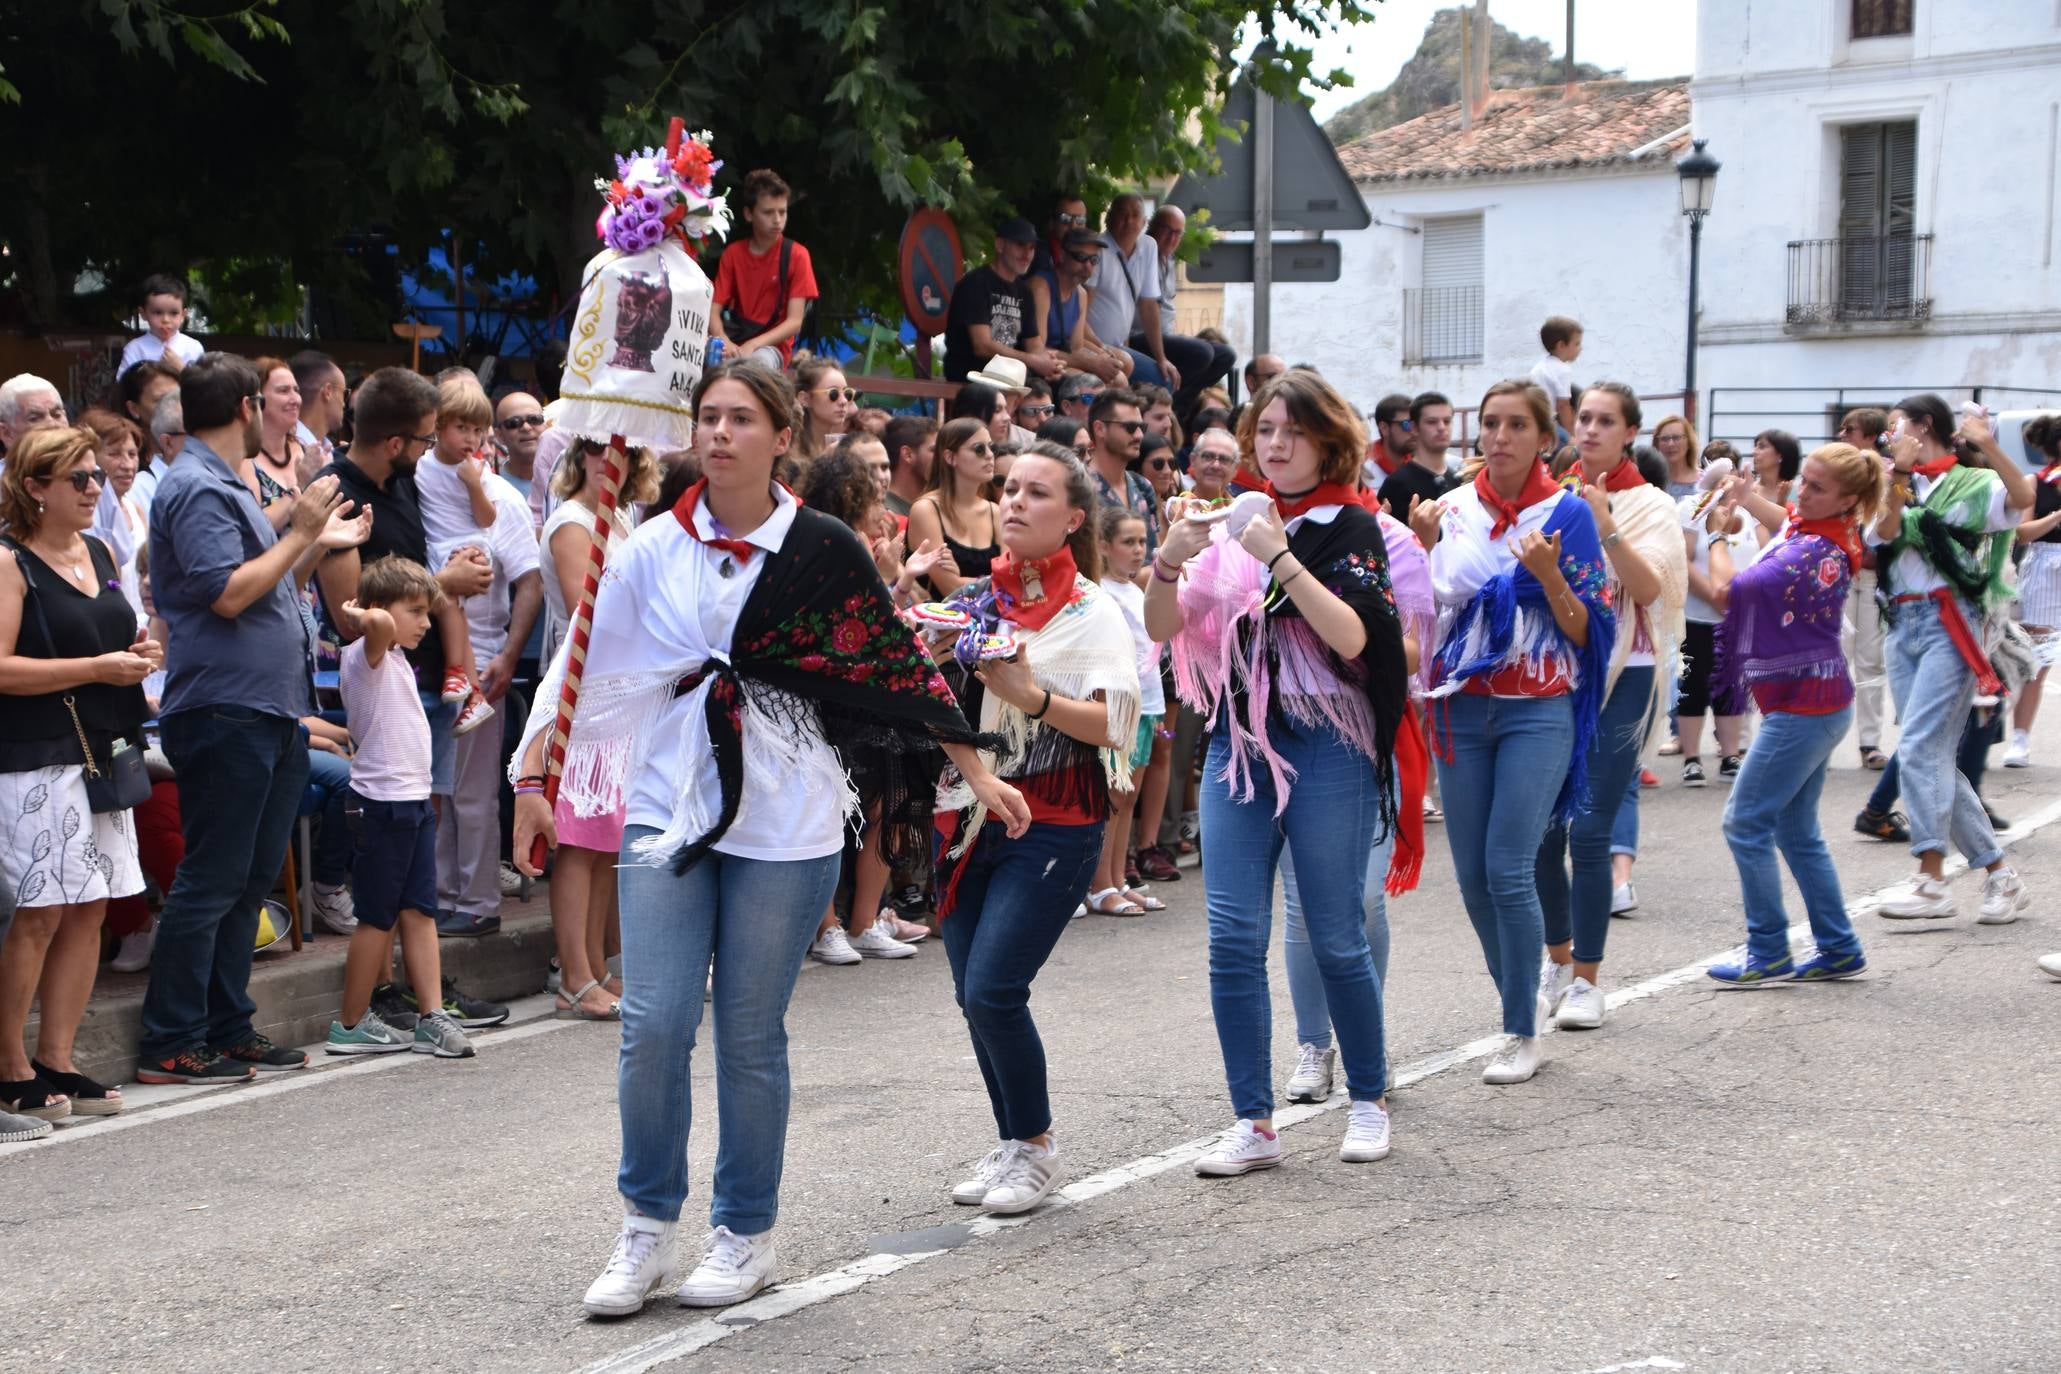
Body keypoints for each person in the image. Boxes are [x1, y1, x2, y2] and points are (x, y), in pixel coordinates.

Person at [510, 361, 1026, 1315]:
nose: (719, 432)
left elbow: (892, 666)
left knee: (748, 1033)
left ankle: (743, 1232)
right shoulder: (649, 547)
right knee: (654, 1024)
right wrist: (533, 777)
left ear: (781, 437)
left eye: (741, 418)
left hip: (786, 816)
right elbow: (584, 663)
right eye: (707, 416)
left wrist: (978, 769)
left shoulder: (821, 547)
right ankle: (645, 1228)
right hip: (670, 799)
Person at [1151, 369, 1410, 1170]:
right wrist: (1167, 562)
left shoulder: (1350, 525)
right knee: (1232, 937)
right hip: (1238, 741)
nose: (1274, 444)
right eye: (1264, 430)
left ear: (1327, 442)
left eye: (1292, 431)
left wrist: (1281, 557)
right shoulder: (1228, 521)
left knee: (1333, 933)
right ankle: (1252, 1123)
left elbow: (1356, 638)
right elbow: (1162, 629)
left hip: (1326, 741)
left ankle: (1365, 1099)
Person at [139, 354, 368, 1084]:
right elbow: (229, 594)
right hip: (225, 710)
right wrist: (302, 531)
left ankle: (226, 1025)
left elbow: (266, 577)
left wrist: (312, 535)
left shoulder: (224, 483)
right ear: (246, 407)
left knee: (250, 878)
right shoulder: (196, 486)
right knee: (214, 878)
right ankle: (171, 1039)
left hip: (266, 710)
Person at [927, 441, 1139, 1214]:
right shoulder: (973, 601)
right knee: (971, 993)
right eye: (1009, 488)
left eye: (1037, 492)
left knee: (994, 989)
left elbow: (1116, 727)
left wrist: (1033, 697)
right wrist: (927, 656)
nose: (1014, 501)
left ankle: (1037, 1148)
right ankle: (1014, 1140)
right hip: (965, 817)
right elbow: (926, 697)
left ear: (1074, 518)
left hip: (1055, 820)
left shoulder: (1094, 612)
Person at [1409, 379, 1611, 1087]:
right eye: (1491, 423)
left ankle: (1519, 1029)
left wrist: (1550, 577)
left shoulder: (1567, 512)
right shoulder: (1449, 509)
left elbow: (1587, 627)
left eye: (1517, 425)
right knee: (1470, 878)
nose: (1499, 436)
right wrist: (1420, 547)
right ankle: (1523, 997)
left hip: (1538, 708)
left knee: (1506, 866)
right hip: (1461, 706)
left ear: (1543, 438)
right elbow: (1418, 607)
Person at [0, 426, 158, 1120]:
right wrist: (96, 667)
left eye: (96, 474)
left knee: (92, 906)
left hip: (104, 745)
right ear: (36, 487)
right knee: (40, 912)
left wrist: (136, 654)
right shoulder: (10, 560)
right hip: (37, 753)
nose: (96, 487)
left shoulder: (98, 550)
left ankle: (56, 1058)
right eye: (80, 478)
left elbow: (108, 635)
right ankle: (9, 1064)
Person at [1534, 384, 1686, 1030]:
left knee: (1592, 829)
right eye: (1585, 419)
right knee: (1542, 834)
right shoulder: (1549, 495)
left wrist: (1606, 527)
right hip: (1553, 669)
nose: (1590, 430)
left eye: (1605, 421)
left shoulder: (1652, 504)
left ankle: (1587, 981)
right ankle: (1558, 957)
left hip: (1627, 670)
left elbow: (1650, 589)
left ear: (1629, 433)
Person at [1704, 444, 1884, 985]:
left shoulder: (1808, 552)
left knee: (1745, 822)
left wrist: (1712, 537)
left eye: (1817, 487)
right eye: (1804, 480)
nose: (1803, 493)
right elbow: (1789, 516)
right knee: (1795, 830)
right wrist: (1748, 499)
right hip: (1817, 700)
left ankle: (1769, 951)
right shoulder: (1829, 529)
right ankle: (1838, 947)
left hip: (1804, 707)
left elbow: (1724, 592)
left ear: (1847, 499)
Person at [1870, 394, 2034, 921]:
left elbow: (2022, 496)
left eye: (1895, 425)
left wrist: (1988, 444)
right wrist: (1898, 474)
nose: (1888, 435)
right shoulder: (1894, 482)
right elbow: (1884, 533)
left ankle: (1931, 881)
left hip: (1951, 622)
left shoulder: (1973, 481)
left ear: (1923, 425)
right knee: (1931, 755)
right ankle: (2000, 876)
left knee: (1920, 748)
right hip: (1901, 624)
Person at [323, 557, 475, 1056]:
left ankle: (432, 1015)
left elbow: (386, 624)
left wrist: (377, 614)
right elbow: (380, 625)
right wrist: (357, 615)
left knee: (419, 910)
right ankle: (350, 1024)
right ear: (376, 610)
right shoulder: (362, 656)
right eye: (415, 610)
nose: (425, 623)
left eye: (427, 612)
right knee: (377, 917)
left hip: (411, 802)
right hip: (379, 806)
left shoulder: (393, 659)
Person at [414, 376, 542, 937]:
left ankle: (479, 902)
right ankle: (443, 895)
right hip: (423, 657)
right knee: (436, 790)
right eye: (459, 427)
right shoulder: (417, 478)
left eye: (478, 429)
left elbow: (531, 580)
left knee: (470, 790)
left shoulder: (500, 495)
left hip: (483, 658)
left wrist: (510, 656)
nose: (470, 439)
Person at [538, 439, 659, 1016]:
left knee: (607, 837)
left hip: (620, 693)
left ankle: (596, 967)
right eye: (595, 449)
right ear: (580, 456)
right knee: (578, 838)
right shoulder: (572, 523)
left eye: (624, 451)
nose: (609, 459)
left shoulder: (623, 518)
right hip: (580, 696)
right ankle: (574, 977)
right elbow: (583, 612)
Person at [1081, 507, 1165, 916]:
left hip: (1147, 703)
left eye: (1142, 542)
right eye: (1127, 542)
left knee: (1128, 796)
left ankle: (1118, 879)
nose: (1137, 550)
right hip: (1117, 705)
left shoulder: (1136, 590)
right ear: (1103, 545)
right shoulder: (1099, 592)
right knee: (1112, 796)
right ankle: (1099, 885)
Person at [1087, 195, 1230, 412]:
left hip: (1122, 345)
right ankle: (1166, 414)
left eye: (1135, 215)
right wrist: (1098, 347)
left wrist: (1162, 358)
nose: (1128, 221)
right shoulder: (1098, 250)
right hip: (1101, 344)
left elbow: (1148, 304)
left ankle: (1173, 412)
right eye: (1122, 215)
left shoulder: (1148, 247)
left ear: (1143, 222)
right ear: (1109, 219)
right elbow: (1082, 308)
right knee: (1175, 373)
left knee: (1221, 356)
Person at [1677, 458, 1757, 785]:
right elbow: (1683, 560)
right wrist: (1715, 596)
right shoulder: (1692, 510)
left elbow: (1761, 554)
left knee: (1732, 686)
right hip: (1697, 614)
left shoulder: (1749, 512)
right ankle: (1691, 758)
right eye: (1727, 479)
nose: (1733, 482)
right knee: (1693, 684)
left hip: (1737, 616)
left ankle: (1730, 755)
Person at [711, 168, 818, 369]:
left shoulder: (798, 255)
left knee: (757, 366)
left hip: (772, 350)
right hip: (734, 342)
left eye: (782, 212)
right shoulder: (733, 253)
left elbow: (795, 322)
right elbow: (713, 310)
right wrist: (723, 339)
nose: (777, 219)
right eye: (768, 212)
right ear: (748, 214)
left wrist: (752, 345)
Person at [1833, 407, 1892, 769]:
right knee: (1835, 655)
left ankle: (1870, 742)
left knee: (1871, 659)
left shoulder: (1892, 473)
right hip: (1839, 572)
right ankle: (1826, 738)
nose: (1843, 435)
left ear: (1871, 436)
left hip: (1872, 574)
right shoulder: (1837, 470)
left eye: (1850, 429)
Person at [2004, 415, 2061, 768]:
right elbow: (2022, 533)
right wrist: (2056, 516)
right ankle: (2019, 739)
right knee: (2037, 661)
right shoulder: (2036, 483)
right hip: (2044, 566)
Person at [944, 219, 1062, 384]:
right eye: (1020, 245)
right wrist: (1033, 360)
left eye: (1032, 248)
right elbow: (982, 345)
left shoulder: (1024, 292)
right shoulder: (975, 283)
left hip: (1010, 378)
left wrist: (1049, 364)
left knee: (1066, 387)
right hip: (973, 378)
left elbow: (1034, 343)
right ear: (1000, 245)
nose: (1027, 254)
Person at [1146, 204, 1236, 411]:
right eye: (1167, 230)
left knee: (1226, 356)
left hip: (1166, 336)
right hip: (1143, 337)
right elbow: (1147, 306)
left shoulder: (1169, 260)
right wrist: (1161, 356)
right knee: (1201, 352)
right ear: (1152, 226)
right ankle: (1171, 405)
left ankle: (1179, 403)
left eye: (1178, 233)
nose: (1172, 238)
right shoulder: (1143, 255)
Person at [905, 418, 999, 596]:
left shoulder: (995, 512)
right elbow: (951, 588)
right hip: (938, 612)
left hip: (991, 613)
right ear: (950, 457)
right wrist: (995, 581)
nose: (990, 455)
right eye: (979, 449)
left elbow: (1013, 579)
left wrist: (965, 581)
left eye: (991, 447)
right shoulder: (926, 510)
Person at [1029, 228, 1130, 385]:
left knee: (1119, 376)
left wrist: (1101, 356)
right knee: (1092, 383)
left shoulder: (1081, 294)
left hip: (1061, 359)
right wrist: (1092, 364)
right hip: (1040, 365)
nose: (1088, 265)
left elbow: (1076, 347)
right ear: (1062, 255)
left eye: (1094, 260)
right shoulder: (1041, 288)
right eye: (1081, 257)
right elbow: (1037, 351)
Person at [79, 408, 151, 621]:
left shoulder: (135, 509)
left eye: (132, 454)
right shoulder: (83, 514)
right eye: (114, 454)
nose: (127, 465)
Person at [1083, 390, 1159, 557]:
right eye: (1130, 427)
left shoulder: (1143, 486)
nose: (1139, 435)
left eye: (1142, 427)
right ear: (1100, 429)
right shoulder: (1077, 486)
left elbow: (1152, 555)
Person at [238, 357, 307, 533]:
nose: (295, 399)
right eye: (284, 391)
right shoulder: (245, 459)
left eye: (296, 390)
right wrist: (299, 487)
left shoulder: (305, 449)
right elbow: (255, 529)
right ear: (258, 399)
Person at [1377, 392, 1456, 514]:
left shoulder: (1459, 479)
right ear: (1414, 428)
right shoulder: (1397, 485)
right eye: (1431, 422)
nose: (1441, 427)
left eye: (1447, 421)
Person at [117, 274, 205, 378]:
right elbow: (122, 384)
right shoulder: (135, 349)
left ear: (183, 315)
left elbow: (203, 385)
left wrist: (182, 369)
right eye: (158, 312)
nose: (166, 320)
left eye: (174, 313)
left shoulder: (193, 347)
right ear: (143, 313)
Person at [791, 357, 854, 468]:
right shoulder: (789, 448)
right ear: (805, 399)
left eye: (847, 393)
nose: (844, 401)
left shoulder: (840, 446)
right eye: (833, 393)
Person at [1528, 315, 1583, 440]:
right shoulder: (1563, 370)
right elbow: (1563, 406)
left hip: (1532, 420)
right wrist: (1571, 434)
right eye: (1577, 344)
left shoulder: (1540, 367)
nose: (1580, 349)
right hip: (1547, 423)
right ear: (1561, 345)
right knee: (1574, 446)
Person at [882, 415, 937, 520]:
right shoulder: (884, 514)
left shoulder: (934, 506)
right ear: (907, 455)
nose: (942, 457)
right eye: (934, 450)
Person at [1364, 393, 1414, 484]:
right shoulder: (1363, 471)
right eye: (1407, 424)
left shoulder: (1420, 467)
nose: (1414, 431)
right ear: (1384, 428)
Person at [1653, 414, 1702, 498]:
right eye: (1664, 439)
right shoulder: (1650, 482)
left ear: (1689, 442)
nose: (1670, 444)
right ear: (1657, 445)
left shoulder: (1704, 482)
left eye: (1676, 438)